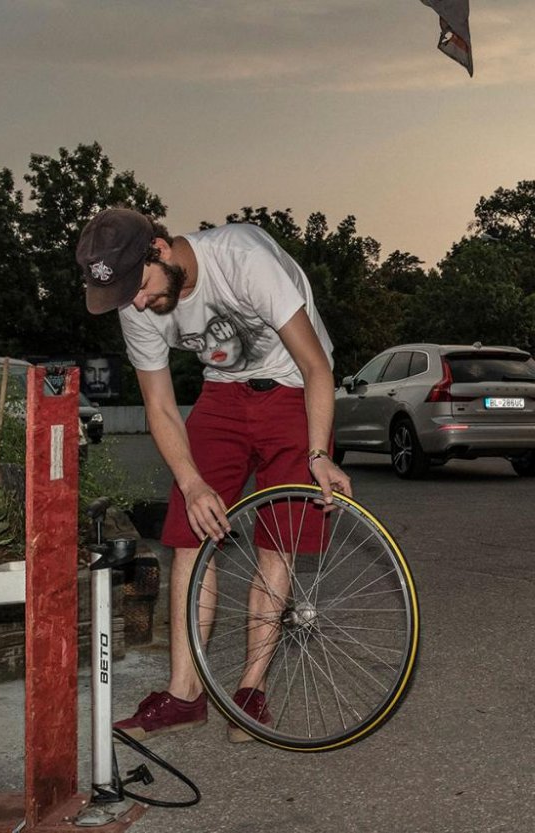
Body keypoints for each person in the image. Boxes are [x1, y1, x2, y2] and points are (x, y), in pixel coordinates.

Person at [76, 207, 352, 742]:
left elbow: (318, 367)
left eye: (140, 286)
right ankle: (185, 694)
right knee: (188, 536)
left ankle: (249, 691)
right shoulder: (136, 302)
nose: (136, 302)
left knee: (277, 543)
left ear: (158, 249)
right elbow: (158, 405)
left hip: (293, 387)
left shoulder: (243, 259)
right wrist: (191, 481)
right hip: (222, 396)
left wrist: (318, 453)